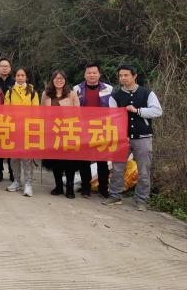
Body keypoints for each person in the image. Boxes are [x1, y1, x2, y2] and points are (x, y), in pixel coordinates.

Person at [103, 65, 163, 211]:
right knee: (117, 168)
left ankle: (141, 199)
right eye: (120, 75)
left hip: (143, 137)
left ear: (134, 76)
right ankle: (115, 195)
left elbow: (157, 111)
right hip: (122, 138)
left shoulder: (147, 93)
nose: (123, 78)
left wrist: (137, 111)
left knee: (144, 170)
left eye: (126, 75)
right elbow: (112, 116)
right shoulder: (116, 96)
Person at [72, 63, 114, 198]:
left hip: (102, 129)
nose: (91, 75)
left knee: (102, 160)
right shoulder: (76, 89)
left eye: (94, 72)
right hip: (83, 129)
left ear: (99, 74)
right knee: (84, 160)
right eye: (89, 73)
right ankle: (86, 188)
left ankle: (103, 188)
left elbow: (115, 109)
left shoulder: (109, 89)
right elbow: (72, 109)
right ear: (85, 75)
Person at [41, 70, 80, 198]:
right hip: (52, 131)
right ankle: (58, 186)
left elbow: (78, 113)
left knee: (69, 162)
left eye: (61, 78)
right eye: (56, 78)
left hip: (68, 131)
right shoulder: (46, 94)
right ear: (52, 80)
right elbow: (42, 112)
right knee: (55, 161)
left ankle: (69, 187)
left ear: (65, 80)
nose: (59, 80)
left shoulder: (72, 94)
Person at [5, 67, 39, 197]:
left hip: (27, 129)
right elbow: (6, 111)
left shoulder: (33, 92)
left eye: (22, 75)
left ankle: (28, 183)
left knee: (27, 157)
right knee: (14, 157)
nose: (20, 77)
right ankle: (16, 181)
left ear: (26, 77)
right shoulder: (10, 91)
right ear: (15, 77)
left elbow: (36, 113)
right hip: (13, 129)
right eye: (18, 75)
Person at [0, 57, 15, 182]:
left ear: (10, 68)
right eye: (2, 66)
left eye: (6, 66)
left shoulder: (15, 82)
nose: (4, 68)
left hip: (12, 118)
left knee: (11, 146)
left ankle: (12, 171)